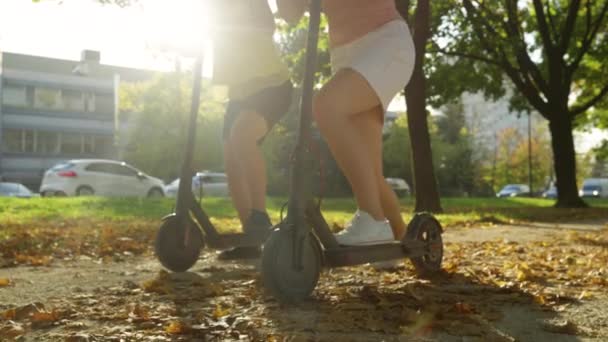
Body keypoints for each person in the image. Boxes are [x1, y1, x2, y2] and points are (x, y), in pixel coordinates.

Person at [276, 0, 415, 246]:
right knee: (370, 171)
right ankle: (399, 239)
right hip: (345, 56)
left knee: (326, 106)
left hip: (385, 42)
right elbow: (290, 14)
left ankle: (372, 220)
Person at [207, 0, 293, 259]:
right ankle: (250, 239)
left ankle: (260, 217)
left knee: (242, 137)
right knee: (232, 162)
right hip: (240, 94)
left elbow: (266, 23)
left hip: (272, 86)